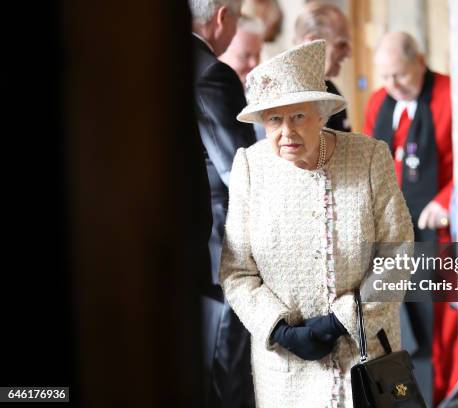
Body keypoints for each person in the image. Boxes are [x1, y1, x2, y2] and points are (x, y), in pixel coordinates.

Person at [220, 40, 414, 407]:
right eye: (274, 119)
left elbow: (398, 254)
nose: (286, 133)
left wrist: (341, 320)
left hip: (365, 357)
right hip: (285, 370)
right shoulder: (249, 167)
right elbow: (236, 271)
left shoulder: (369, 157)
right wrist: (279, 328)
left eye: (298, 117)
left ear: (321, 114)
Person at [363, 31, 458, 406]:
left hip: (439, 233)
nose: (392, 86)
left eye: (399, 75)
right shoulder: (378, 103)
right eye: (384, 77)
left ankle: (441, 397)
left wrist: (447, 199)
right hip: (391, 236)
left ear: (420, 61)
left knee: (436, 325)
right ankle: (403, 398)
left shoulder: (452, 95)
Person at [189, 0, 257, 407]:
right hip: (220, 245)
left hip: (189, 247)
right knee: (226, 375)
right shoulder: (211, 72)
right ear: (222, 16)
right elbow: (239, 170)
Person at [294, 2, 352, 132]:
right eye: (341, 44)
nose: (349, 53)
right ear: (313, 42)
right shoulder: (284, 98)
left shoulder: (331, 91)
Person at [220, 16, 267, 140]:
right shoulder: (215, 98)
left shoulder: (267, 90)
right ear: (222, 53)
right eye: (245, 56)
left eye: (258, 54)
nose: (254, 63)